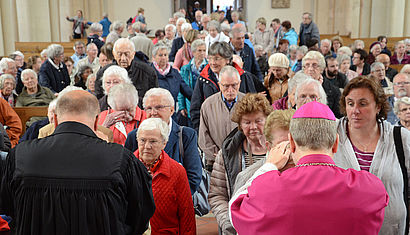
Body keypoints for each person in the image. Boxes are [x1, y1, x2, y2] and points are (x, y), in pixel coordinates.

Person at [0, 89, 155, 234]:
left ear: (54, 119)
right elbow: (140, 216)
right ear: (96, 122)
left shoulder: (20, 156)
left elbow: (9, 207)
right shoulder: (121, 159)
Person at [230, 101, 389, 235]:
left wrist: (269, 166)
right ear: (335, 143)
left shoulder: (267, 188)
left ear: (291, 143)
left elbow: (235, 209)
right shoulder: (369, 187)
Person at [334, 76, 410, 235]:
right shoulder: (331, 136)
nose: (355, 110)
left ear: (378, 107)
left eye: (363, 104)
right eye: (350, 103)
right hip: (343, 228)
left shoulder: (400, 138)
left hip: (391, 230)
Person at [209, 93, 272, 234]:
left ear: (267, 120)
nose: (253, 127)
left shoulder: (279, 150)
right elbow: (217, 194)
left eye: (258, 121)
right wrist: (228, 222)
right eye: (247, 122)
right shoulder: (227, 153)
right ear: (239, 125)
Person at [124, 88, 202, 194]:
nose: (153, 113)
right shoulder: (134, 136)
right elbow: (127, 174)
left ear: (172, 110)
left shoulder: (186, 135)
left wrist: (167, 199)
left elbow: (193, 177)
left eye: (159, 107)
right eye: (148, 108)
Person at [133, 118, 196, 234]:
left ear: (164, 143)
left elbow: (186, 213)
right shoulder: (126, 167)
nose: (147, 146)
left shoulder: (177, 171)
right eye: (142, 140)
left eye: (153, 141)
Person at [190, 42, 266, 131]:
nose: (212, 63)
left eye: (217, 59)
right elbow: (195, 109)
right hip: (213, 132)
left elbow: (253, 106)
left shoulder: (244, 76)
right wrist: (202, 132)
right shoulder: (203, 79)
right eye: (210, 59)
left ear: (227, 60)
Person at [232, 109, 295, 194]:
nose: (290, 151)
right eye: (283, 145)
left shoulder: (311, 173)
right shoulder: (246, 177)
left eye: (295, 143)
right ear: (269, 146)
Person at [199, 65, 245, 171]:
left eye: (234, 85)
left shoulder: (248, 102)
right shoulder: (208, 105)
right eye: (226, 86)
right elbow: (203, 137)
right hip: (215, 163)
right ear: (219, 85)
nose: (230, 90)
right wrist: (220, 155)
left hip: (242, 162)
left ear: (240, 83)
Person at [95, 38, 158, 106]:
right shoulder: (103, 73)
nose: (123, 58)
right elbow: (99, 100)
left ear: (133, 54)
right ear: (114, 54)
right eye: (119, 54)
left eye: (127, 54)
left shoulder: (147, 72)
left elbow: (154, 98)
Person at [302, 50, 342, 117]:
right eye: (307, 65)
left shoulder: (334, 91)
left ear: (321, 69)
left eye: (314, 65)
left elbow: (338, 116)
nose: (310, 69)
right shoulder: (296, 86)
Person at [151, 42, 193, 107]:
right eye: (160, 55)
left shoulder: (174, 73)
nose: (163, 58)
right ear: (153, 57)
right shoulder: (149, 72)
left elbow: (187, 91)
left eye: (165, 55)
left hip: (171, 112)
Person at [178, 39, 208, 122]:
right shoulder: (185, 69)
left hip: (205, 104)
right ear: (193, 52)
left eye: (204, 50)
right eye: (199, 50)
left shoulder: (209, 68)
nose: (202, 53)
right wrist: (182, 106)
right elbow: (181, 89)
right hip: (190, 104)